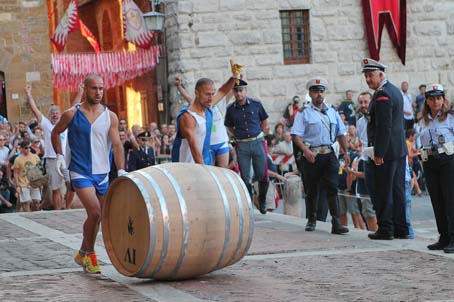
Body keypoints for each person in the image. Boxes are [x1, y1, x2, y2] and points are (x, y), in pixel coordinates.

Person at [51, 74, 125, 273]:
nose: (98, 92)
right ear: (85, 88)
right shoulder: (71, 114)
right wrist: (59, 156)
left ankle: (82, 252)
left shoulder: (110, 116)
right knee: (94, 212)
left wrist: (122, 170)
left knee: (101, 217)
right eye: (94, 88)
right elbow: (55, 132)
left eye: (101, 88)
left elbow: (117, 145)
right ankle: (91, 255)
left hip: (103, 173)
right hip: (80, 171)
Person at [291, 77, 350, 234]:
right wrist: (305, 150)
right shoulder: (304, 113)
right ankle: (311, 219)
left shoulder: (332, 111)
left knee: (332, 188)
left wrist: (346, 150)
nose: (319, 94)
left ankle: (336, 223)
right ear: (310, 93)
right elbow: (296, 135)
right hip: (312, 154)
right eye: (315, 91)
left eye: (321, 91)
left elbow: (341, 132)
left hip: (329, 153)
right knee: (312, 189)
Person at [362, 58, 408, 240]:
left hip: (386, 152)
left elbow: (384, 126)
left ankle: (386, 229)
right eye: (366, 76)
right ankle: (401, 228)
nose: (368, 79)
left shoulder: (382, 94)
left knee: (384, 190)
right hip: (398, 150)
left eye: (371, 75)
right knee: (397, 190)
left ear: (381, 75)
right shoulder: (394, 90)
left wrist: (379, 152)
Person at [174, 63, 238, 167]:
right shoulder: (188, 117)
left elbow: (222, 91)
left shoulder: (207, 107)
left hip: (203, 162)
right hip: (187, 166)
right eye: (207, 94)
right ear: (197, 93)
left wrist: (234, 76)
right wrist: (204, 170)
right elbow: (194, 148)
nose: (211, 98)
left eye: (213, 94)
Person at [25, 84, 77, 210]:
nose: (55, 115)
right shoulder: (46, 124)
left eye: (56, 113)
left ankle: (68, 208)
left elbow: (75, 107)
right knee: (55, 188)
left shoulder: (65, 123)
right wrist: (28, 94)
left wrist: (80, 91)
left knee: (72, 186)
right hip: (52, 160)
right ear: (49, 116)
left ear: (60, 115)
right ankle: (58, 212)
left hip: (66, 159)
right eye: (52, 113)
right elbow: (35, 109)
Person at [224, 79, 270, 214]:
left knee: (262, 174)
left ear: (245, 91)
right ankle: (249, 205)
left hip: (257, 142)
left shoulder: (256, 104)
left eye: (241, 90)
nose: (239, 94)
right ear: (233, 93)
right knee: (245, 177)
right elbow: (229, 126)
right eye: (236, 91)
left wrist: (261, 132)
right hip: (242, 144)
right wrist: (238, 135)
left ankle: (262, 200)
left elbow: (264, 120)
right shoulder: (231, 109)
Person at [418, 84, 454, 253]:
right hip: (429, 160)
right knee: (437, 200)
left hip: (447, 159)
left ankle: (453, 238)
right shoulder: (423, 120)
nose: (435, 102)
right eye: (431, 98)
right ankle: (444, 236)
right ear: (427, 101)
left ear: (443, 99)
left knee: (450, 199)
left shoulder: (450, 117)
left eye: (438, 98)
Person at [355, 91, 378, 232]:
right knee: (365, 203)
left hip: (379, 162)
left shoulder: (378, 119)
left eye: (366, 102)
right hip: (365, 161)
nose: (363, 105)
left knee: (379, 201)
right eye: (361, 102)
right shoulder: (359, 122)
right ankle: (372, 232)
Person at [13, 141, 42, 212]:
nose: (28, 149)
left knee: (36, 201)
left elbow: (39, 169)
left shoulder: (35, 157)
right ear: (22, 149)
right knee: (26, 202)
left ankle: (33, 215)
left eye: (29, 147)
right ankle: (28, 216)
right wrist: (17, 185)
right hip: (23, 183)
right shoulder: (18, 159)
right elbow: (16, 173)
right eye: (26, 148)